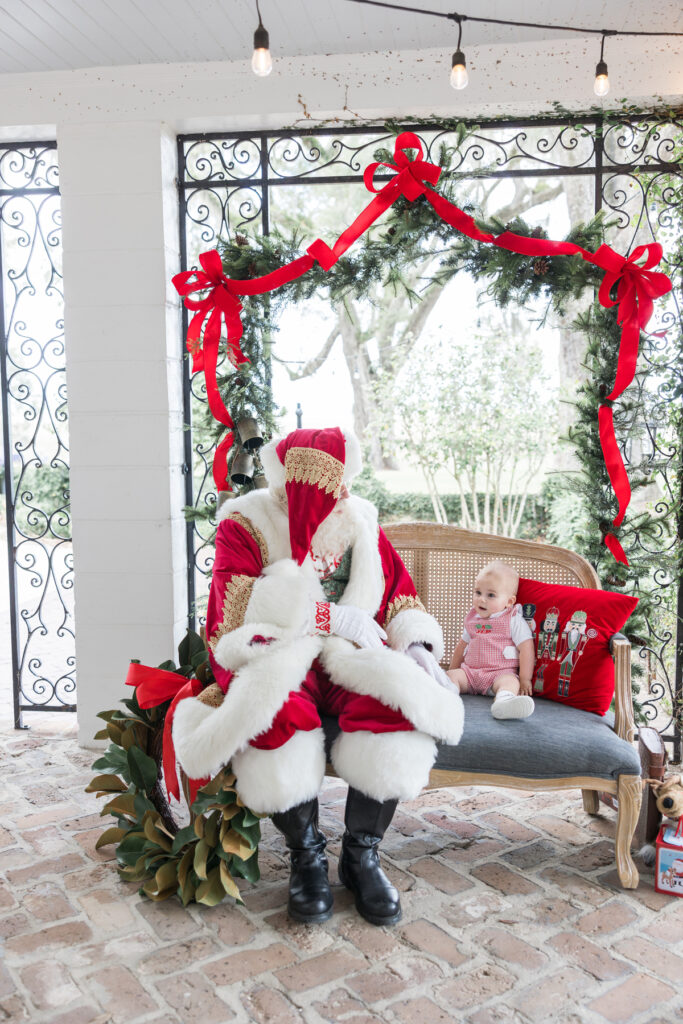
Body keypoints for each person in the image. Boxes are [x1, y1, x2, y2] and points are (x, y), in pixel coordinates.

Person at [173, 427, 463, 926]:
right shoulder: (246, 522)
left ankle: (361, 856)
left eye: (338, 489)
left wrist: (416, 645)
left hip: (351, 655)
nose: (333, 500)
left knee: (394, 703)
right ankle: (305, 855)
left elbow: (398, 594)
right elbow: (234, 605)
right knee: (273, 710)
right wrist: (326, 617)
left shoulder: (359, 518)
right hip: (281, 652)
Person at [446, 560, 535, 720]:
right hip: (470, 673)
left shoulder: (513, 619)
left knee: (510, 683)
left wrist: (524, 679)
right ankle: (447, 698)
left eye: (491, 595)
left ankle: (503, 703)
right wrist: (453, 670)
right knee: (450, 677)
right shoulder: (472, 618)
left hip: (500, 674)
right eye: (478, 592)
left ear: (509, 601)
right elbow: (461, 647)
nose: (481, 599)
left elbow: (526, 648)